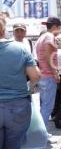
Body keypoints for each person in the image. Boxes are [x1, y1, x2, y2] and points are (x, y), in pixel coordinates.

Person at [0, 14, 40, 149]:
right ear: (4, 30)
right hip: (18, 105)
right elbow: (35, 76)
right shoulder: (21, 48)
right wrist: (29, 89)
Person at [35, 17, 61, 128]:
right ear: (55, 27)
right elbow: (48, 56)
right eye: (59, 28)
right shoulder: (49, 37)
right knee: (47, 106)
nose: (59, 31)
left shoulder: (42, 37)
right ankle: (41, 134)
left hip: (43, 74)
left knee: (44, 105)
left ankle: (41, 132)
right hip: (48, 75)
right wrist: (55, 73)